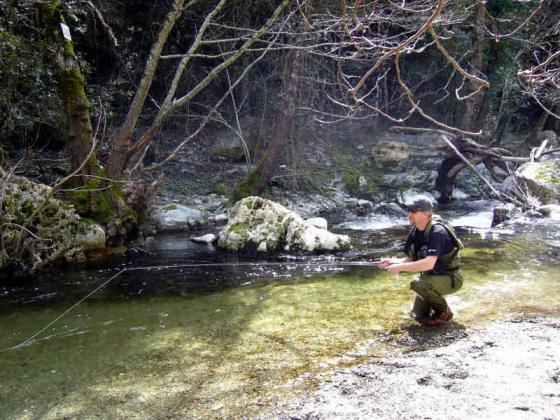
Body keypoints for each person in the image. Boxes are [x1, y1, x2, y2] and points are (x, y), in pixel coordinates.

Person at [377, 198, 464, 326]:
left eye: (413, 211)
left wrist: (400, 267)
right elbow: (410, 259)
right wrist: (391, 262)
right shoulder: (415, 231)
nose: (409, 214)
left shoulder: (437, 232)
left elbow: (429, 264)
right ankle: (434, 312)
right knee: (417, 315)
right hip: (431, 278)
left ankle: (444, 311)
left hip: (450, 278)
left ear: (426, 214)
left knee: (418, 284)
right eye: (408, 210)